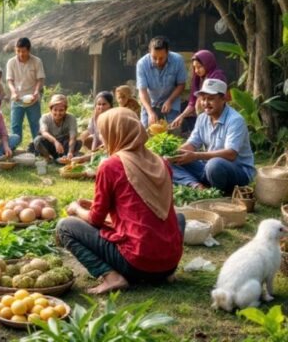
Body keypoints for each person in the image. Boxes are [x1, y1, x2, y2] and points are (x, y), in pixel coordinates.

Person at [56, 108, 184, 294]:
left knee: (65, 226)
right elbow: (144, 206)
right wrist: (93, 204)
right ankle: (166, 274)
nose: (102, 138)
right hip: (169, 263)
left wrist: (76, 209)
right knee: (178, 217)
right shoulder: (161, 162)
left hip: (136, 262)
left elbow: (95, 220)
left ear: (116, 133)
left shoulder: (111, 165)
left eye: (104, 133)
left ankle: (111, 277)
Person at [171, 79, 255, 195]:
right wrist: (175, 153)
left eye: (210, 99)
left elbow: (231, 154)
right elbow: (192, 143)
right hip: (208, 168)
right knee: (169, 161)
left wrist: (195, 156)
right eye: (203, 98)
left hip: (237, 171)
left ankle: (220, 192)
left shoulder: (235, 120)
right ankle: (196, 186)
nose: (205, 103)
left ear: (223, 99)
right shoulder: (202, 118)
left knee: (214, 165)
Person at [136, 36, 187, 127]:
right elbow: (142, 91)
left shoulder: (178, 60)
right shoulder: (142, 64)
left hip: (172, 101)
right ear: (149, 52)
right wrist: (150, 112)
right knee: (145, 132)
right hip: (150, 102)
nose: (158, 61)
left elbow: (181, 85)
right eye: (154, 57)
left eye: (161, 58)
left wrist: (170, 101)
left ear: (168, 53)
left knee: (172, 131)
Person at [170, 50, 228, 130]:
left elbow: (216, 101)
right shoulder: (198, 79)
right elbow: (192, 102)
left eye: (199, 67)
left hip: (217, 117)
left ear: (208, 64)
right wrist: (181, 117)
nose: (196, 70)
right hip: (204, 117)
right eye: (195, 68)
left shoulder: (217, 76)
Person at [6, 37, 45, 151]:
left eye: (23, 51)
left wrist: (36, 92)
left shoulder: (37, 61)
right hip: (17, 99)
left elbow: (40, 79)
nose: (20, 54)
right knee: (15, 125)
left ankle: (38, 148)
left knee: (35, 125)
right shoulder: (11, 62)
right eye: (18, 51)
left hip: (32, 99)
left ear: (29, 50)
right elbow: (9, 80)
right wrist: (13, 92)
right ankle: (13, 149)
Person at [34, 94, 81, 161]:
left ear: (65, 110)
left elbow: (72, 137)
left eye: (61, 110)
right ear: (51, 109)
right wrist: (55, 142)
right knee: (37, 140)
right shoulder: (45, 117)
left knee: (77, 142)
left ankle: (66, 156)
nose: (58, 113)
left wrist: (70, 151)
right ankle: (47, 157)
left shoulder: (71, 118)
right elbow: (44, 132)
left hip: (64, 144)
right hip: (50, 143)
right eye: (55, 110)